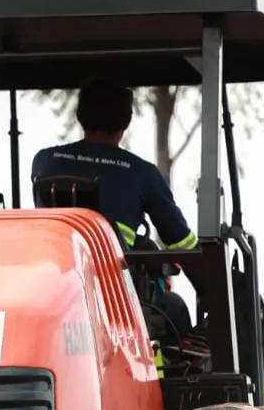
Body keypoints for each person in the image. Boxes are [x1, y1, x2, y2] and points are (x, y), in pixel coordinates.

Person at [31, 78, 197, 344]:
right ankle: (180, 382)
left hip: (56, 290)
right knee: (175, 309)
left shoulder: (45, 161)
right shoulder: (142, 173)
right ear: (127, 121)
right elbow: (179, 240)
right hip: (117, 300)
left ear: (79, 116)